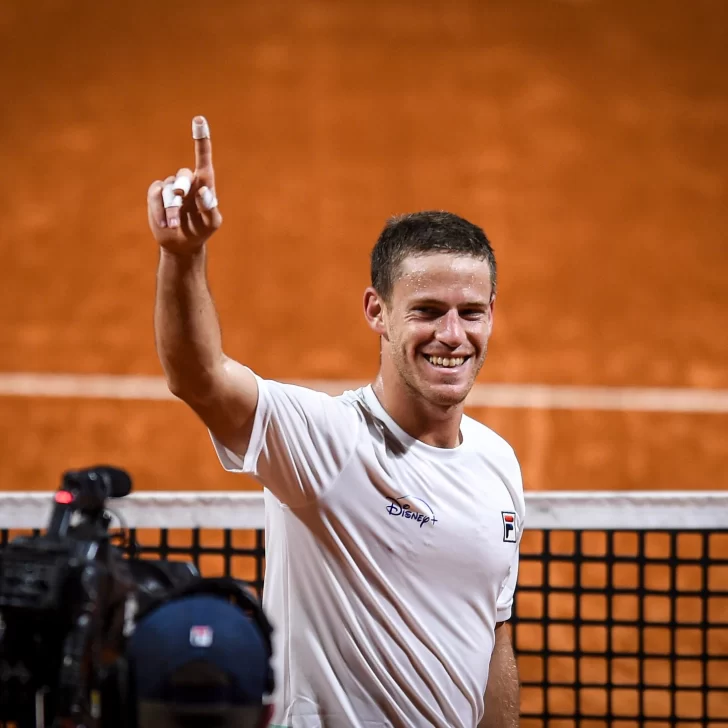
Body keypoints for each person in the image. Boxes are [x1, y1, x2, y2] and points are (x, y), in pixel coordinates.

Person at [147, 115, 525, 728]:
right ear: (377, 311)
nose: (452, 336)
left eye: (471, 312)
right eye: (427, 311)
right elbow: (201, 377)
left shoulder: (498, 463)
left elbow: (494, 638)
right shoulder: (327, 443)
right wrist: (183, 257)